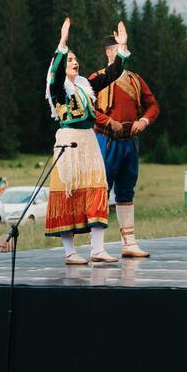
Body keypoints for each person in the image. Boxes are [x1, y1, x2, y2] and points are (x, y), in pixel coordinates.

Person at [44, 17, 130, 265]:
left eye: (76, 59)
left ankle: (97, 249)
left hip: (89, 140)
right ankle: (70, 252)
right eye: (70, 60)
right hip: (69, 140)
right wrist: (62, 42)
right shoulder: (57, 89)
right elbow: (56, 73)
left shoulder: (85, 85)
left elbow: (112, 73)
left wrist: (121, 49)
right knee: (69, 191)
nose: (75, 62)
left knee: (97, 188)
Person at [90, 35, 160, 258]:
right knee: (102, 191)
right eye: (119, 48)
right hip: (106, 140)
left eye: (125, 48)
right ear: (109, 53)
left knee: (126, 192)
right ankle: (97, 247)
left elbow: (153, 105)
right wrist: (108, 121)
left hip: (130, 141)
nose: (124, 52)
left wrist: (144, 121)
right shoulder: (97, 78)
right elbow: (87, 108)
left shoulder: (135, 79)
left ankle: (128, 243)